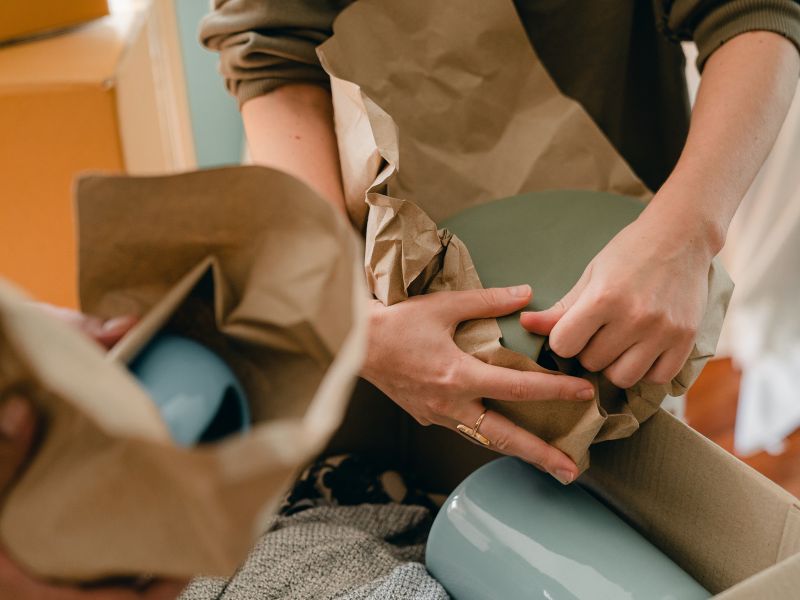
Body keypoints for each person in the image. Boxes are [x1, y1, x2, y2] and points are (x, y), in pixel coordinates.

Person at [200, 0, 800, 484]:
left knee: (630, 471)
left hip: (631, 246)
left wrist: (686, 233)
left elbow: (755, 9)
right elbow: (268, 49)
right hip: (354, 249)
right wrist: (346, 314)